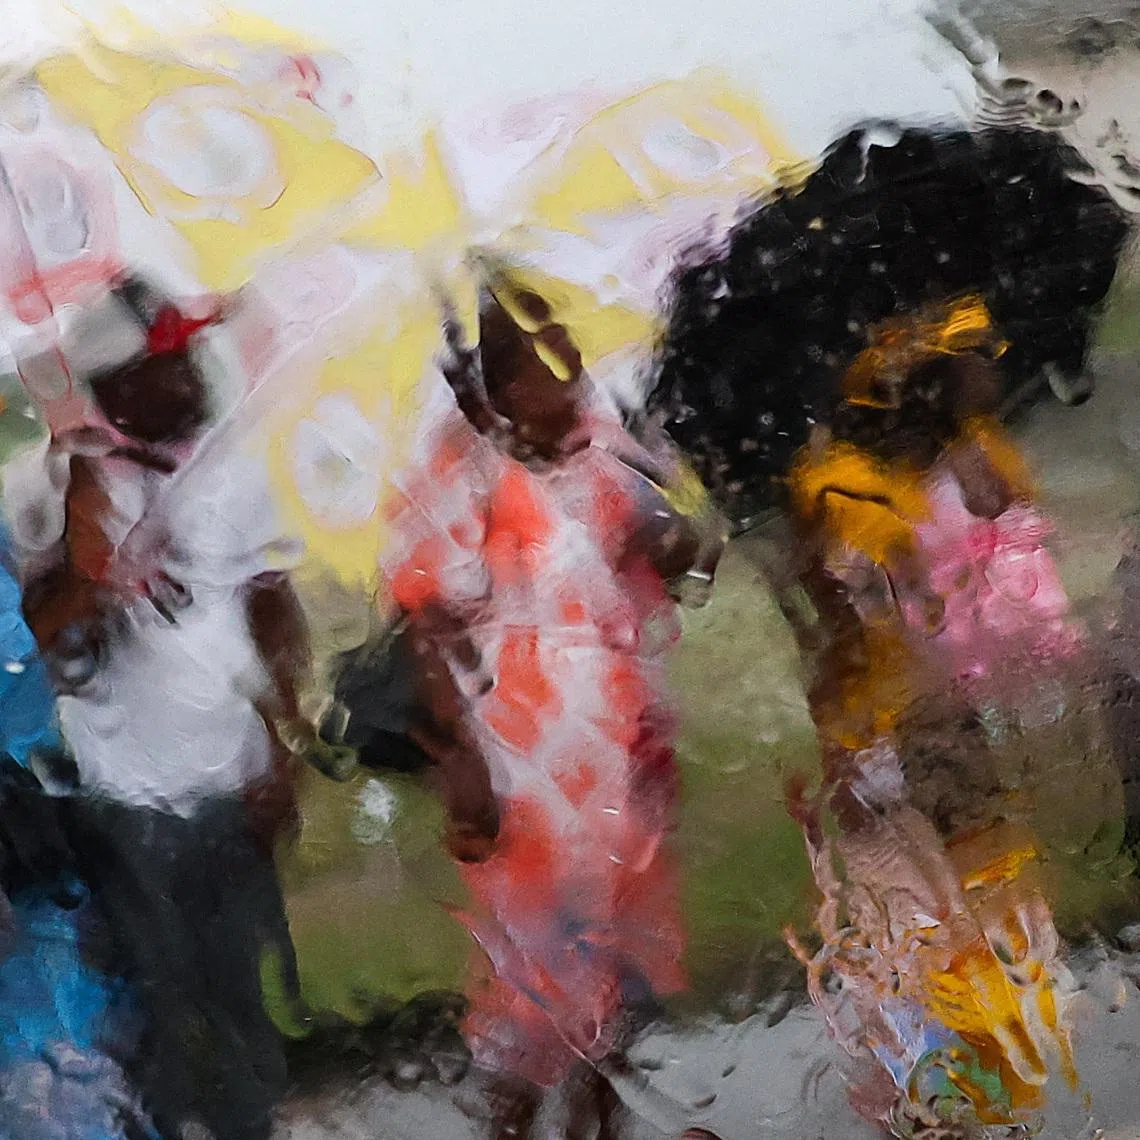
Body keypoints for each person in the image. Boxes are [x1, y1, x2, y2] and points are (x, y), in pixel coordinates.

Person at [361, 267, 721, 1138]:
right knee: (531, 993)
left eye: (567, 343)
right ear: (494, 387)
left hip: (620, 755)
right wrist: (460, 767)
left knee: (618, 986)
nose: (571, 364)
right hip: (521, 773)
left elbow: (689, 556)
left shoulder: (605, 446)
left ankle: (601, 1126)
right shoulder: (458, 474)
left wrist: (677, 537)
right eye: (542, 357)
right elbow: (423, 625)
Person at [7, 274, 329, 1140]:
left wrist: (282, 744)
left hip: (232, 790)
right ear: (116, 385)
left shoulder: (229, 464)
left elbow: (269, 603)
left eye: (191, 355)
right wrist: (87, 569)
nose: (194, 376)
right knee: (152, 1024)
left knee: (243, 1011)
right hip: (123, 807)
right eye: (170, 363)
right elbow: (38, 657)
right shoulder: (44, 493)